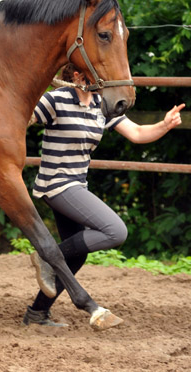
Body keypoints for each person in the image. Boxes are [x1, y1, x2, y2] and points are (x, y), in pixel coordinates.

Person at [23, 64, 185, 327]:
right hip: (57, 184)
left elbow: (137, 133)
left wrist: (164, 125)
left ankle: (37, 313)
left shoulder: (101, 104)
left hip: (77, 185)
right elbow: (21, 117)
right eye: (96, 74)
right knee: (115, 230)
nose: (104, 79)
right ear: (77, 76)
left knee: (76, 255)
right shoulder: (55, 100)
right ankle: (46, 257)